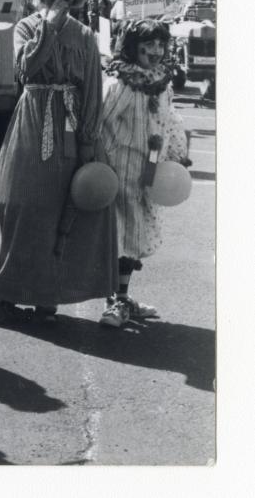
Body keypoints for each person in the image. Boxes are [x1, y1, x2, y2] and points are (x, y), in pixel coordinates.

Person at [0, 0, 117, 325]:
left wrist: (88, 141)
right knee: (22, 204)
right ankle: (4, 290)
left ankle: (48, 294)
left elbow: (92, 92)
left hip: (71, 127)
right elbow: (26, 71)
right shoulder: (25, 27)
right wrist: (50, 26)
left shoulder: (86, 36)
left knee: (62, 212)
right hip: (33, 118)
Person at [97, 19, 191, 327]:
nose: (155, 50)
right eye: (148, 44)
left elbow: (170, 117)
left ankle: (123, 298)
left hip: (148, 171)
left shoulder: (161, 81)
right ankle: (116, 301)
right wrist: (99, 163)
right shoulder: (120, 82)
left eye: (160, 44)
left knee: (135, 234)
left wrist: (178, 151)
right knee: (120, 235)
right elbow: (101, 123)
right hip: (119, 170)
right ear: (132, 46)